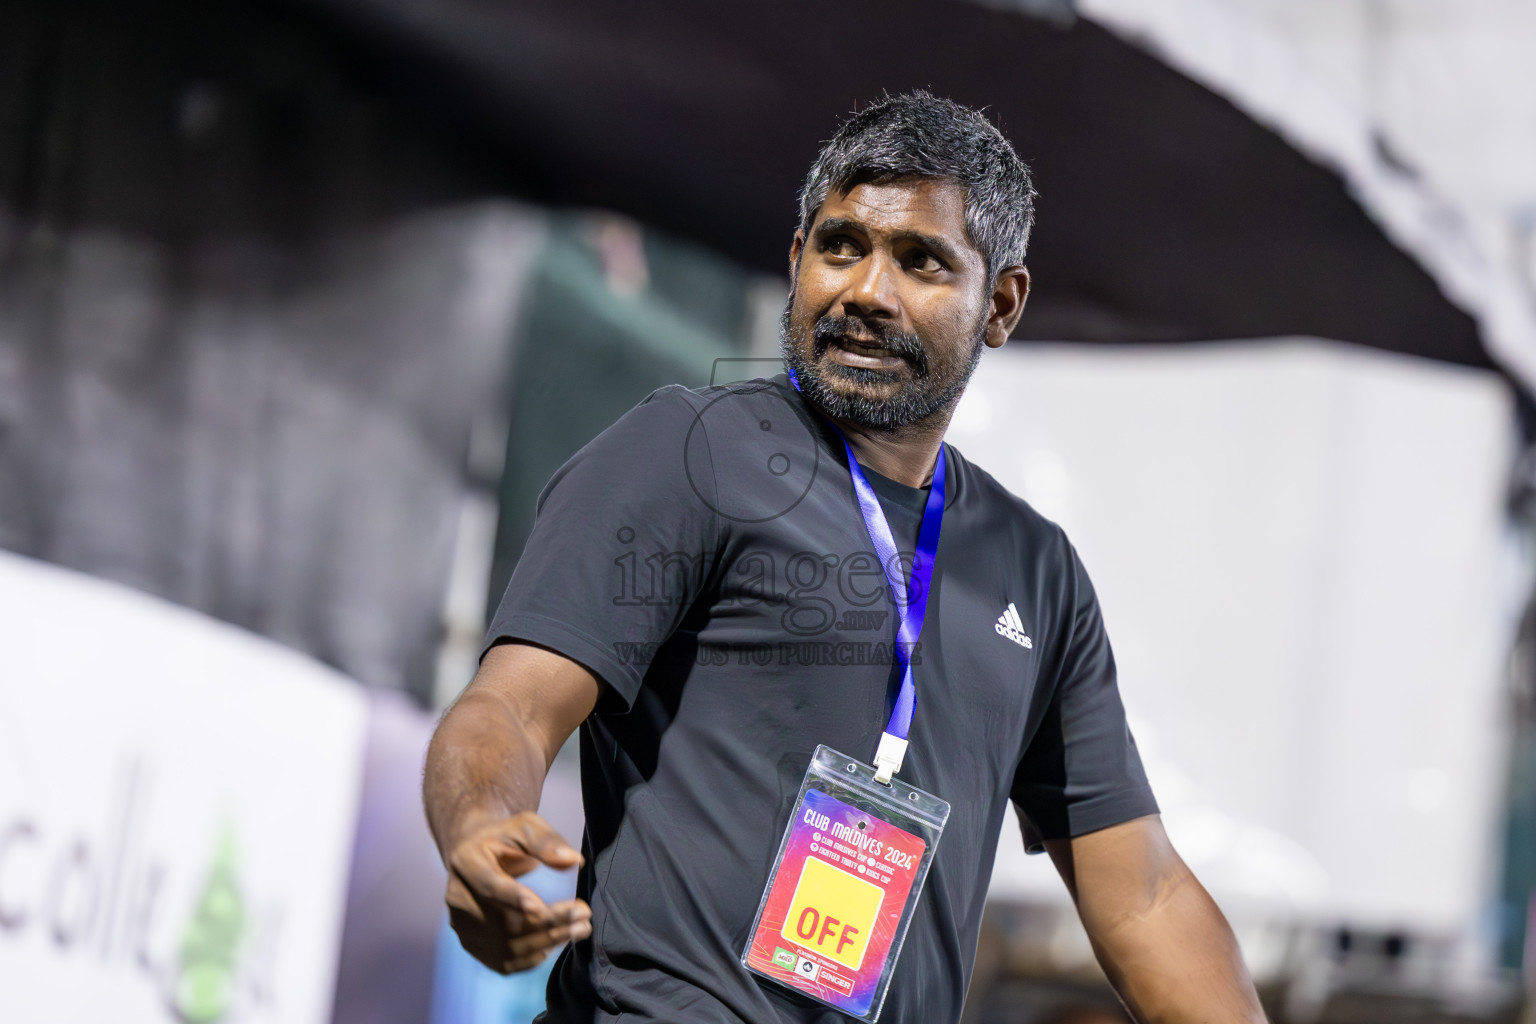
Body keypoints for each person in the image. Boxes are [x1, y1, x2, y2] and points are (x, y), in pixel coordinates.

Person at [423, 91, 1266, 1024]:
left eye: (921, 261)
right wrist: (479, 824)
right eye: (841, 245)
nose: (868, 290)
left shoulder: (1036, 570)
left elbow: (1142, 896)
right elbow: (509, 704)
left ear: (1003, 305)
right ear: (797, 261)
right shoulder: (690, 453)